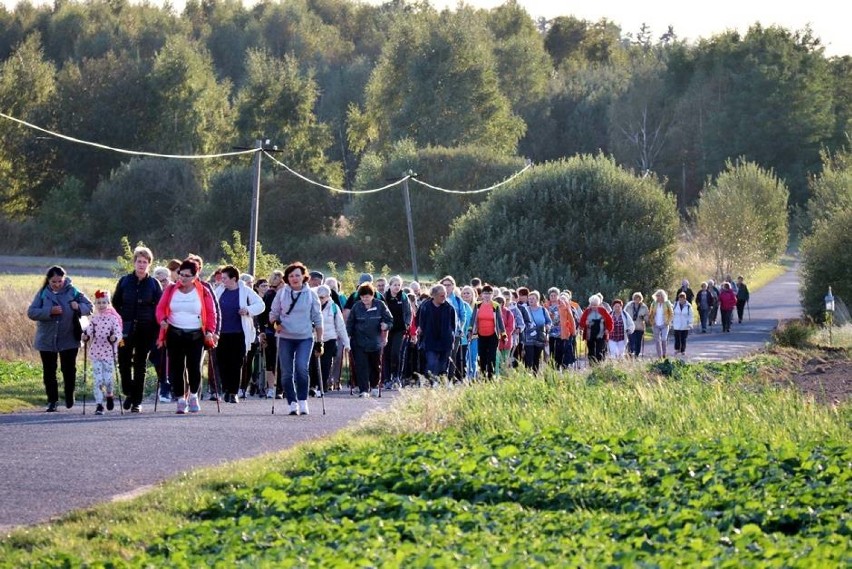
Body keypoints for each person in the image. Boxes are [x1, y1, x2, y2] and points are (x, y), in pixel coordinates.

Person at [27, 266, 93, 412]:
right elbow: (31, 312)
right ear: (48, 280)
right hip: (46, 338)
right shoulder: (43, 293)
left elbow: (90, 306)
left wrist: (78, 307)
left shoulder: (73, 291)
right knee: (49, 371)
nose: (57, 284)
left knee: (68, 369)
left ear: (64, 279)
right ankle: (52, 401)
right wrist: (49, 311)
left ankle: (70, 395)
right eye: (53, 282)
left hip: (69, 337)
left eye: (59, 281)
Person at [156, 258, 218, 414]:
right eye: (180, 274)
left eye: (187, 275)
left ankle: (193, 395)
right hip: (174, 333)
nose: (182, 278)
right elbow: (160, 308)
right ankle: (181, 399)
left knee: (194, 367)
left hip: (195, 335)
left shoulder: (203, 291)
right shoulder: (171, 289)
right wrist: (162, 320)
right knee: (176, 368)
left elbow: (211, 313)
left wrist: (210, 331)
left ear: (195, 276)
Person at [269, 262, 324, 415]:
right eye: (291, 276)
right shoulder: (282, 293)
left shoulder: (311, 294)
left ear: (304, 277)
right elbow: (273, 315)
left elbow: (318, 318)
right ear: (287, 278)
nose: (294, 278)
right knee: (286, 372)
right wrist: (276, 324)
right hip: (285, 336)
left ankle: (302, 400)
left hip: (305, 337)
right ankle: (292, 402)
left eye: (297, 275)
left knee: (301, 368)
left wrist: (320, 341)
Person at [113, 246, 162, 413]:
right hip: (124, 330)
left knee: (140, 365)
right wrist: (119, 322)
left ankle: (137, 402)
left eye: (145, 262)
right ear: (134, 263)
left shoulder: (154, 284)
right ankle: (129, 392)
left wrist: (158, 331)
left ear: (149, 264)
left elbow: (160, 308)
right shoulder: (124, 281)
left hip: (146, 330)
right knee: (123, 363)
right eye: (139, 261)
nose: (141, 265)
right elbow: (115, 303)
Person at [213, 266, 264, 403]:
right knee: (223, 363)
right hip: (221, 333)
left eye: (225, 278)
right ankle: (226, 389)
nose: (222, 280)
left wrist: (247, 310)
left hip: (239, 333)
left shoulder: (246, 291)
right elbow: (212, 306)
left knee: (236, 363)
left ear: (233, 279)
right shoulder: (219, 291)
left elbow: (260, 305)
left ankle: (234, 391)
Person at [346, 282, 393, 397]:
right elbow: (350, 323)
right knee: (361, 366)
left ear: (372, 295)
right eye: (362, 297)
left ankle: (374, 386)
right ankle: (363, 390)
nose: (365, 299)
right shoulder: (356, 307)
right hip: (359, 342)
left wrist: (386, 326)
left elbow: (390, 320)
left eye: (367, 296)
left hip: (375, 342)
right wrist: (347, 337)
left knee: (375, 365)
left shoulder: (380, 305)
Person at [81, 290, 123, 415]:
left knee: (108, 380)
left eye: (104, 302)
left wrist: (114, 338)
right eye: (98, 303)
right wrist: (85, 336)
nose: (101, 305)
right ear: (95, 304)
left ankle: (109, 394)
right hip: (96, 352)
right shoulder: (94, 318)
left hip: (109, 353)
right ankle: (99, 404)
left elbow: (118, 333)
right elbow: (88, 331)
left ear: (108, 303)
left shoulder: (113, 318)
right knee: (98, 380)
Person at [310, 285, 350, 393]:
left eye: (322, 297)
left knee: (325, 364)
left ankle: (321, 386)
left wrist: (346, 343)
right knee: (312, 364)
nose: (320, 300)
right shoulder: (311, 306)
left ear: (328, 297)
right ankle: (312, 386)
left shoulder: (334, 307)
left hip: (329, 339)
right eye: (318, 297)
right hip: (314, 338)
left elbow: (340, 326)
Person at [415, 283, 457, 381]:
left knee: (443, 367)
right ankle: (430, 384)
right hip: (430, 340)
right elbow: (419, 321)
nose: (444, 297)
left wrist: (452, 337)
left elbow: (453, 324)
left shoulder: (449, 307)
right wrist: (420, 330)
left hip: (445, 341)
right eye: (442, 295)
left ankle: (441, 385)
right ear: (434, 295)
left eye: (445, 295)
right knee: (431, 364)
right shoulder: (425, 306)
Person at [469, 284, 507, 379]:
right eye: (485, 293)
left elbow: (499, 320)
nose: (487, 295)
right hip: (481, 334)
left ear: (492, 295)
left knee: (492, 356)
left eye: (489, 293)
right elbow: (473, 318)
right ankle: (482, 374)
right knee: (482, 355)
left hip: (493, 335)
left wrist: (503, 334)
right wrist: (470, 330)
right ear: (482, 294)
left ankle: (490, 376)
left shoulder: (495, 306)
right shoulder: (478, 305)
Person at [382, 275, 411, 388]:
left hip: (399, 329)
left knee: (396, 353)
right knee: (387, 353)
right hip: (388, 329)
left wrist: (407, 324)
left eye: (399, 285)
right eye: (395, 285)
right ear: (390, 286)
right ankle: (387, 378)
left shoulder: (403, 297)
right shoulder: (385, 297)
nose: (397, 287)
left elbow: (409, 312)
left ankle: (396, 376)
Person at [150, 266, 173, 403]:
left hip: (170, 329)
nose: (161, 284)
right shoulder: (152, 290)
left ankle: (166, 387)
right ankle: (163, 381)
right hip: (154, 330)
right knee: (156, 358)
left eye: (163, 280)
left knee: (167, 359)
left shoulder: (172, 290)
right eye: (158, 280)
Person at [260, 270, 284, 398]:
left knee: (282, 361)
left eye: (277, 285)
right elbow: (262, 315)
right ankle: (271, 387)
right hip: (271, 331)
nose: (274, 288)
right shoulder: (269, 295)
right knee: (270, 360)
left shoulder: (287, 294)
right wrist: (262, 331)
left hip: (285, 331)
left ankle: (280, 387)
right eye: (272, 285)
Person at [441, 276, 470, 381]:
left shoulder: (458, 300)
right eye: (444, 285)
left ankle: (449, 378)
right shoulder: (438, 299)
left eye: (449, 285)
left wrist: (461, 328)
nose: (447, 287)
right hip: (440, 333)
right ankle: (441, 376)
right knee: (441, 354)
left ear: (453, 286)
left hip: (455, 333)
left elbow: (463, 315)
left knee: (452, 355)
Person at [522, 291, 552, 371]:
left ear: (537, 299)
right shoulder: (525, 310)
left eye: (533, 298)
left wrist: (548, 326)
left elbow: (549, 321)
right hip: (528, 337)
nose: (531, 300)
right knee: (529, 357)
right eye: (529, 299)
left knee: (536, 357)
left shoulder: (543, 310)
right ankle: (527, 375)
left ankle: (535, 374)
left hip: (540, 337)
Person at [579, 295, 613, 364]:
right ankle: (592, 365)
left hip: (601, 334)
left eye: (595, 305)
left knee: (599, 351)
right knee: (591, 351)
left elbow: (610, 321)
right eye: (592, 305)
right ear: (590, 304)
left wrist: (608, 330)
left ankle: (599, 366)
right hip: (590, 335)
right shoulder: (587, 311)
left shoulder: (603, 311)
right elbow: (581, 323)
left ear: (599, 304)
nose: (594, 307)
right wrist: (585, 323)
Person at [649, 290, 673, 358]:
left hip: (664, 324)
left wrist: (668, 322)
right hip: (655, 324)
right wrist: (651, 322)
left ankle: (664, 354)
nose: (658, 297)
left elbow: (671, 313)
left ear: (663, 296)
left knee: (663, 339)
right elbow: (650, 314)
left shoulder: (667, 303)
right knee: (657, 341)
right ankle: (659, 356)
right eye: (657, 296)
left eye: (659, 295)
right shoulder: (654, 303)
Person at [624, 292, 649, 357]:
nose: (637, 300)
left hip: (640, 327)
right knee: (631, 341)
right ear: (633, 298)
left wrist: (644, 317)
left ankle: (636, 355)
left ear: (641, 299)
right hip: (631, 327)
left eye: (639, 298)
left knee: (638, 342)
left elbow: (647, 317)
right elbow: (624, 314)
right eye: (636, 298)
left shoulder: (644, 307)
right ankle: (630, 354)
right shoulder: (629, 306)